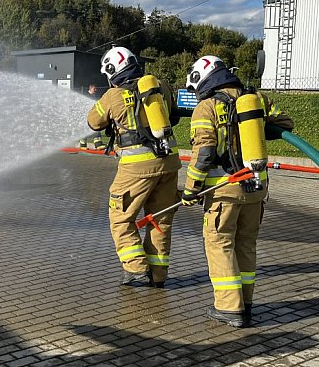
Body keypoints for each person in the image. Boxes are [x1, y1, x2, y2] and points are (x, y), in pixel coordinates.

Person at [180, 55, 293, 328]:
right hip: (256, 188)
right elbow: (286, 124)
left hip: (224, 190)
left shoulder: (206, 108)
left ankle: (229, 308)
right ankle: (247, 302)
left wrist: (190, 189)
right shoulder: (257, 99)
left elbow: (204, 154)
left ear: (202, 80)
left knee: (220, 246)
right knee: (245, 244)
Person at [87, 46, 181, 288]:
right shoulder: (160, 86)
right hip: (169, 162)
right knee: (160, 220)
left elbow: (94, 121)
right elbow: (174, 114)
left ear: (111, 70)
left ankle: (136, 268)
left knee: (119, 217)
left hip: (136, 167)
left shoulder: (113, 95)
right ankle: (158, 276)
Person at [78, 84, 106, 150]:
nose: (96, 90)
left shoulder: (94, 96)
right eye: (94, 89)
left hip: (92, 116)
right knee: (88, 129)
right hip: (86, 116)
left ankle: (97, 144)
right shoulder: (86, 95)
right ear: (90, 89)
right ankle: (84, 145)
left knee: (94, 128)